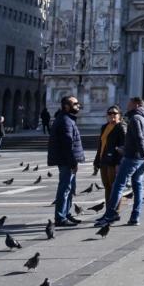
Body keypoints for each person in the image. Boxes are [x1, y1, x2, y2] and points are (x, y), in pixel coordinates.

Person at [98, 97, 144, 227]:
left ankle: (109, 215)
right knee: (138, 187)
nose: (127, 105)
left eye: (129, 103)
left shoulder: (135, 119)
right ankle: (135, 217)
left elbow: (140, 138)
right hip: (139, 159)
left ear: (137, 105)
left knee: (118, 185)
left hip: (132, 158)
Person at [48, 96, 85, 227]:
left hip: (66, 160)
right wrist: (73, 162)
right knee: (65, 188)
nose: (78, 106)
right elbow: (67, 144)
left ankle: (66, 213)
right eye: (75, 104)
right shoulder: (65, 121)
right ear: (66, 106)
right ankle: (60, 217)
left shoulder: (67, 119)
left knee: (69, 188)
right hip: (66, 161)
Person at [93, 106, 127, 221]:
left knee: (114, 187)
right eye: (110, 113)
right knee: (107, 187)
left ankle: (115, 212)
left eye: (115, 113)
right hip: (104, 160)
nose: (112, 115)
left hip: (113, 162)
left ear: (119, 115)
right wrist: (97, 159)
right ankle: (108, 211)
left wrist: (118, 162)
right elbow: (101, 145)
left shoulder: (121, 127)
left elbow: (123, 147)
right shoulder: (104, 127)